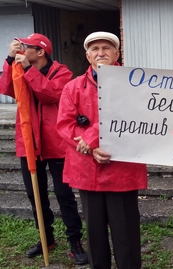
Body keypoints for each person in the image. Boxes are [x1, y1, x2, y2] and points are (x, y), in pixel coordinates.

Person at [56, 31, 148, 269]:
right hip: (87, 169)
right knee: (95, 234)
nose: (101, 53)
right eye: (95, 49)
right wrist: (89, 148)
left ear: (117, 54)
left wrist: (91, 137)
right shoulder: (73, 87)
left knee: (126, 233)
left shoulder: (133, 83)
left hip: (122, 170)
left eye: (106, 48)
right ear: (88, 56)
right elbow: (65, 124)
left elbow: (129, 115)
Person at [0, 33, 88, 265]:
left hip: (56, 143)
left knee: (64, 195)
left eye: (26, 46)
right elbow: (7, 89)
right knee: (35, 194)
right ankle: (46, 238)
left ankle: (74, 241)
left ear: (40, 52)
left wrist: (29, 70)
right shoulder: (19, 67)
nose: (21, 49)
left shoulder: (63, 72)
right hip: (28, 141)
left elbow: (49, 95)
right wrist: (9, 62)